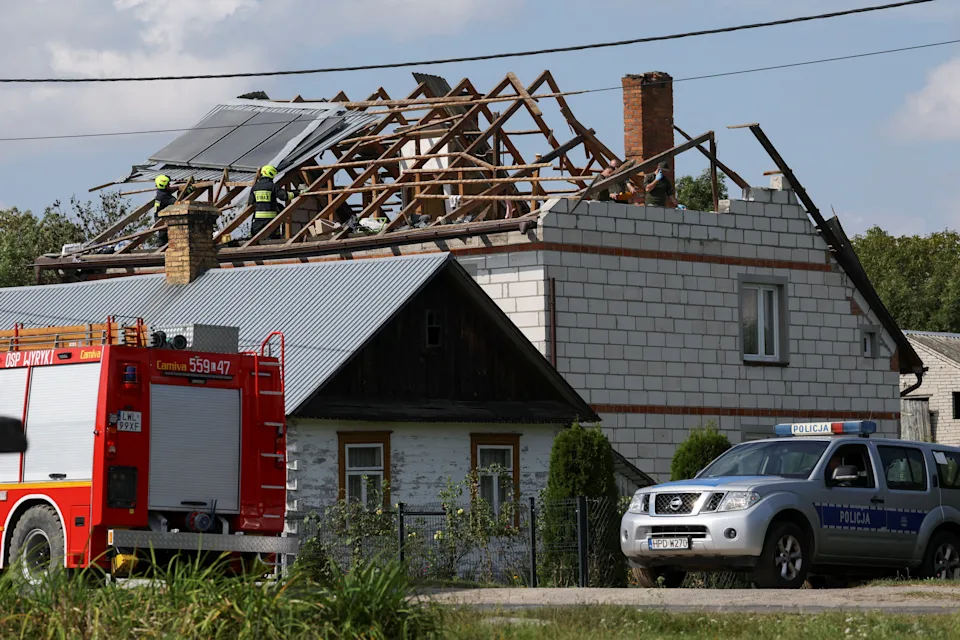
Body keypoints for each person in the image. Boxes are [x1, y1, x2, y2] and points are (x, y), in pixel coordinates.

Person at [247, 165, 288, 240]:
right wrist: (297, 193)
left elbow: (251, 202)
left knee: (257, 240)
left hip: (258, 220)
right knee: (273, 241)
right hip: (271, 220)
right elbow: (284, 196)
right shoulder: (273, 186)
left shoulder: (255, 187)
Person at [153, 175, 176, 246]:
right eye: (168, 184)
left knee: (162, 241)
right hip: (163, 223)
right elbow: (178, 203)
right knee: (164, 244)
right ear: (164, 185)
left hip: (160, 221)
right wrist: (188, 192)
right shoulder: (164, 196)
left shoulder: (160, 194)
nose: (170, 185)